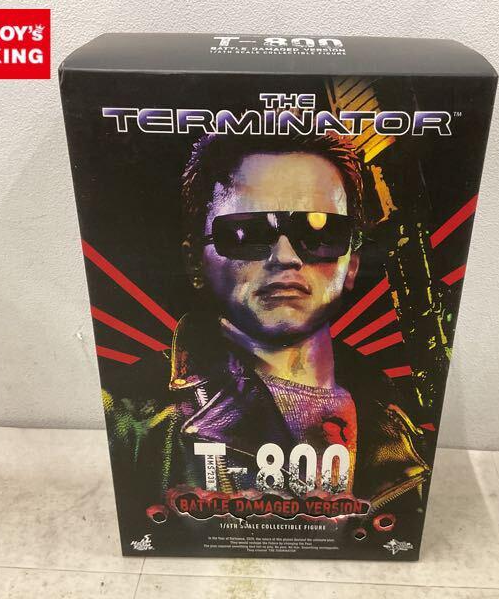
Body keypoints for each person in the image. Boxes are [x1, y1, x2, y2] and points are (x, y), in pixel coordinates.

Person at [102, 130, 430, 524]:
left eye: (321, 232)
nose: (285, 256)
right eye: (247, 233)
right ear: (195, 262)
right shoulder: (126, 415)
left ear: (352, 265)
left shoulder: (408, 413)